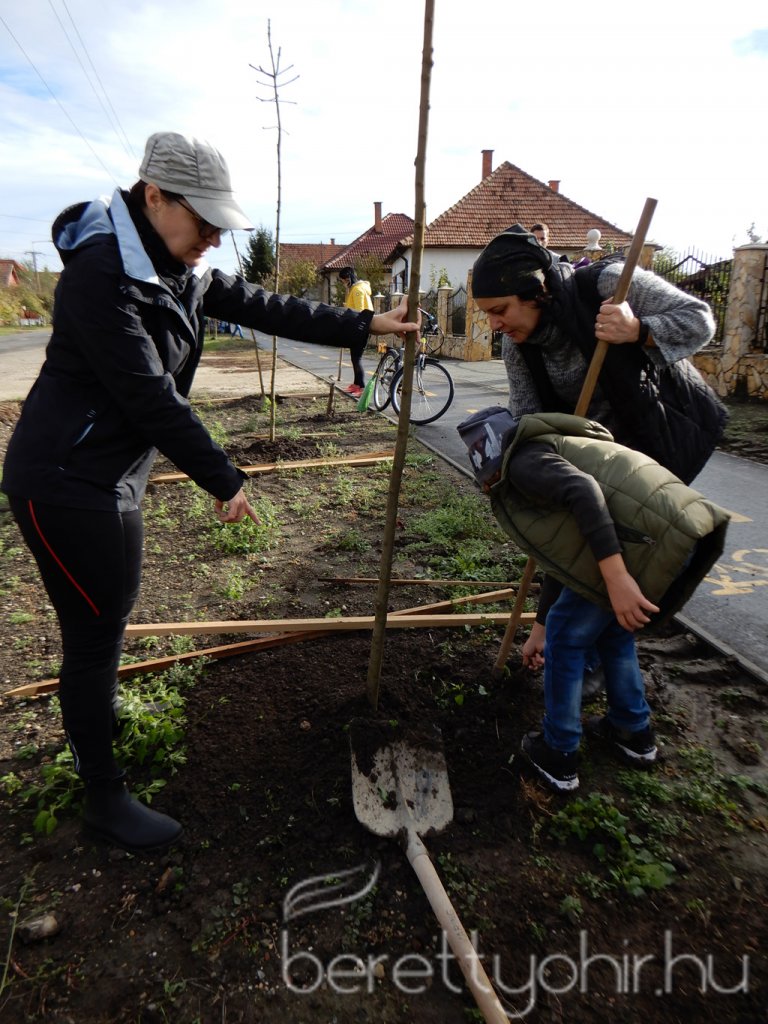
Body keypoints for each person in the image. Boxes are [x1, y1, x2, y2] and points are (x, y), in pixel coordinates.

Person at [1, 132, 419, 853]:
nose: (215, 240)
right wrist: (224, 478)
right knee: (96, 633)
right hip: (66, 484)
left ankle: (93, 727)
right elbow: (148, 397)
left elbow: (269, 307)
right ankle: (102, 797)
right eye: (206, 223)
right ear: (154, 196)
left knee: (102, 629)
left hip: (105, 477)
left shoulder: (174, 268)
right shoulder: (103, 275)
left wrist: (364, 322)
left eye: (222, 226)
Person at [471, 224, 727, 673]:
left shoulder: (606, 286)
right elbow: (535, 428)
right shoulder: (519, 349)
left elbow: (700, 321)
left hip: (665, 435)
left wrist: (638, 329)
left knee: (626, 555)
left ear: (536, 292)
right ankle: (585, 651)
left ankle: (589, 664)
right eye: (488, 314)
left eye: (500, 310)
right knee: (589, 537)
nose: (494, 324)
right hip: (604, 455)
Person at [458, 406, 729, 792]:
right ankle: (632, 731)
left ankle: (559, 751)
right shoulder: (549, 447)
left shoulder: (523, 463)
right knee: (612, 634)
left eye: (485, 475)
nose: (486, 485)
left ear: (491, 459)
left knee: (568, 638)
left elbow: (584, 491)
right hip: (673, 532)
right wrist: (539, 628)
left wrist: (616, 579)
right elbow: (566, 561)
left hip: (645, 540)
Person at [338, 266, 374, 397]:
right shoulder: (354, 289)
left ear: (348, 278)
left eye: (343, 280)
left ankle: (362, 387)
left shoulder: (358, 289)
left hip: (361, 327)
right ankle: (356, 384)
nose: (343, 283)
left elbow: (359, 310)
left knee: (357, 358)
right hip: (359, 326)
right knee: (354, 358)